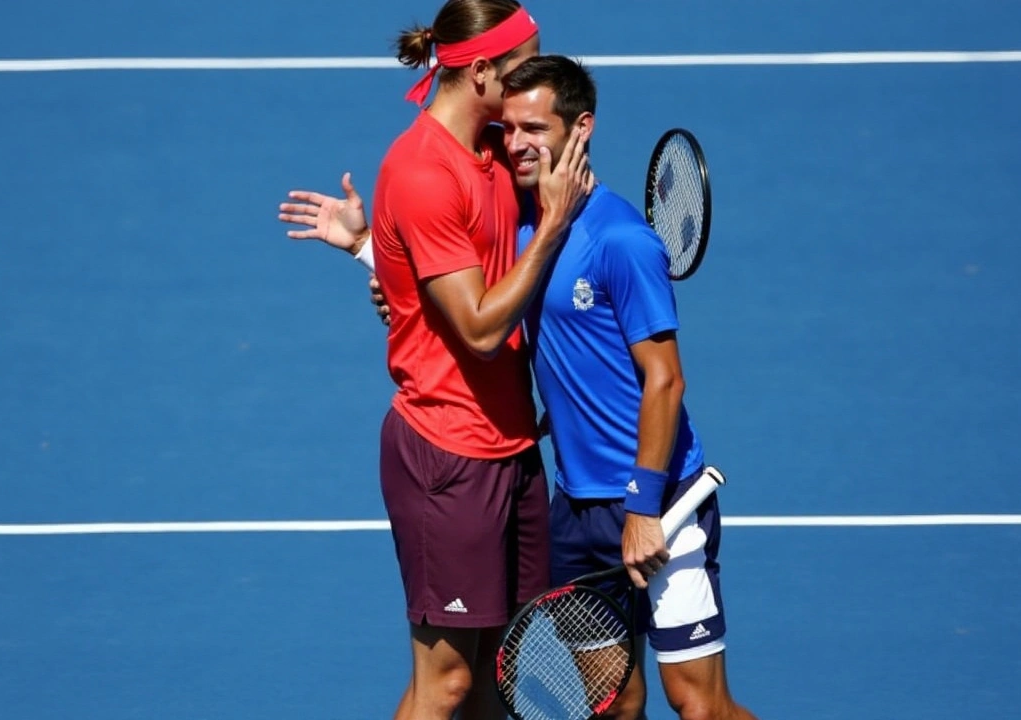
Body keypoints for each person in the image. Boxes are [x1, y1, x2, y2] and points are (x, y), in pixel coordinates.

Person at [285, 54, 760, 720]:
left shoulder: (622, 240)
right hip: (576, 511)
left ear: (581, 128)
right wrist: (368, 247)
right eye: (508, 130)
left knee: (698, 704)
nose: (516, 144)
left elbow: (666, 380)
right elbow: (465, 307)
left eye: (534, 128)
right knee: (613, 703)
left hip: (662, 502)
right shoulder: (527, 229)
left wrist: (645, 507)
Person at [277, 4, 592, 720]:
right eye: (524, 67)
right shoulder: (422, 171)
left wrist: (372, 253)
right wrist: (554, 226)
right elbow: (479, 328)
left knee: (494, 675)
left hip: (512, 450)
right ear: (481, 71)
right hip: (447, 458)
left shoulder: (491, 146)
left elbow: (447, 280)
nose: (537, 77)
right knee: (446, 684)